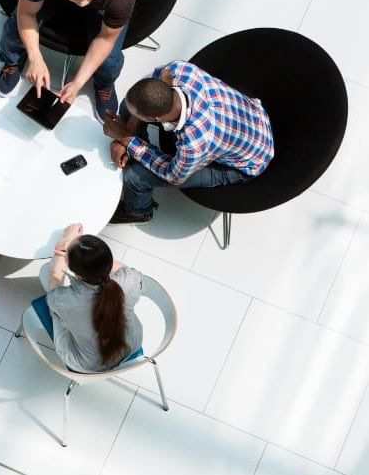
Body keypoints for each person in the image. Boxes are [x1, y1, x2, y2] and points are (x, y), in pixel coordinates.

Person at [102, 61, 275, 224]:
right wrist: (127, 136)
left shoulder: (194, 143)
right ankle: (134, 150)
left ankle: (139, 212)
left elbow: (174, 176)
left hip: (245, 164)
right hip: (250, 119)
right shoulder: (179, 70)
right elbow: (149, 89)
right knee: (127, 106)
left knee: (134, 176)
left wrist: (126, 138)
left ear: (156, 119)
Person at [0, 0, 136, 119]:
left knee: (110, 60)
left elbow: (106, 38)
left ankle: (104, 85)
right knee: (15, 28)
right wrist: (35, 57)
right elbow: (26, 14)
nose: (83, 5)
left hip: (103, 6)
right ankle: (12, 62)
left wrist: (78, 83)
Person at [37, 223, 144, 373]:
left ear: (78, 274)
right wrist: (84, 248)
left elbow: (54, 282)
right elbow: (122, 269)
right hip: (131, 344)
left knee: (46, 275)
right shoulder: (129, 280)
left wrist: (63, 245)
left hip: (89, 365)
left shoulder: (67, 301)